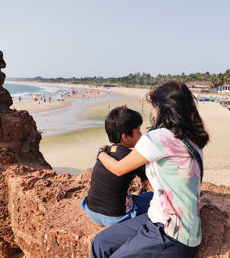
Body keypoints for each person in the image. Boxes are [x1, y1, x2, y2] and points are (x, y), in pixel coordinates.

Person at [92, 81, 209, 258]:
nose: (153, 112)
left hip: (172, 233)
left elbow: (118, 169)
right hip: (156, 218)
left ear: (163, 108)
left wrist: (101, 153)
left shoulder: (158, 138)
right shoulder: (192, 138)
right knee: (101, 243)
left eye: (154, 106)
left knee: (103, 248)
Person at [80, 106, 153, 227]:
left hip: (91, 212)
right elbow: (151, 184)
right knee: (151, 197)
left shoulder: (106, 151)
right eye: (138, 131)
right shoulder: (132, 157)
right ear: (125, 137)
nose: (141, 135)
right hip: (116, 218)